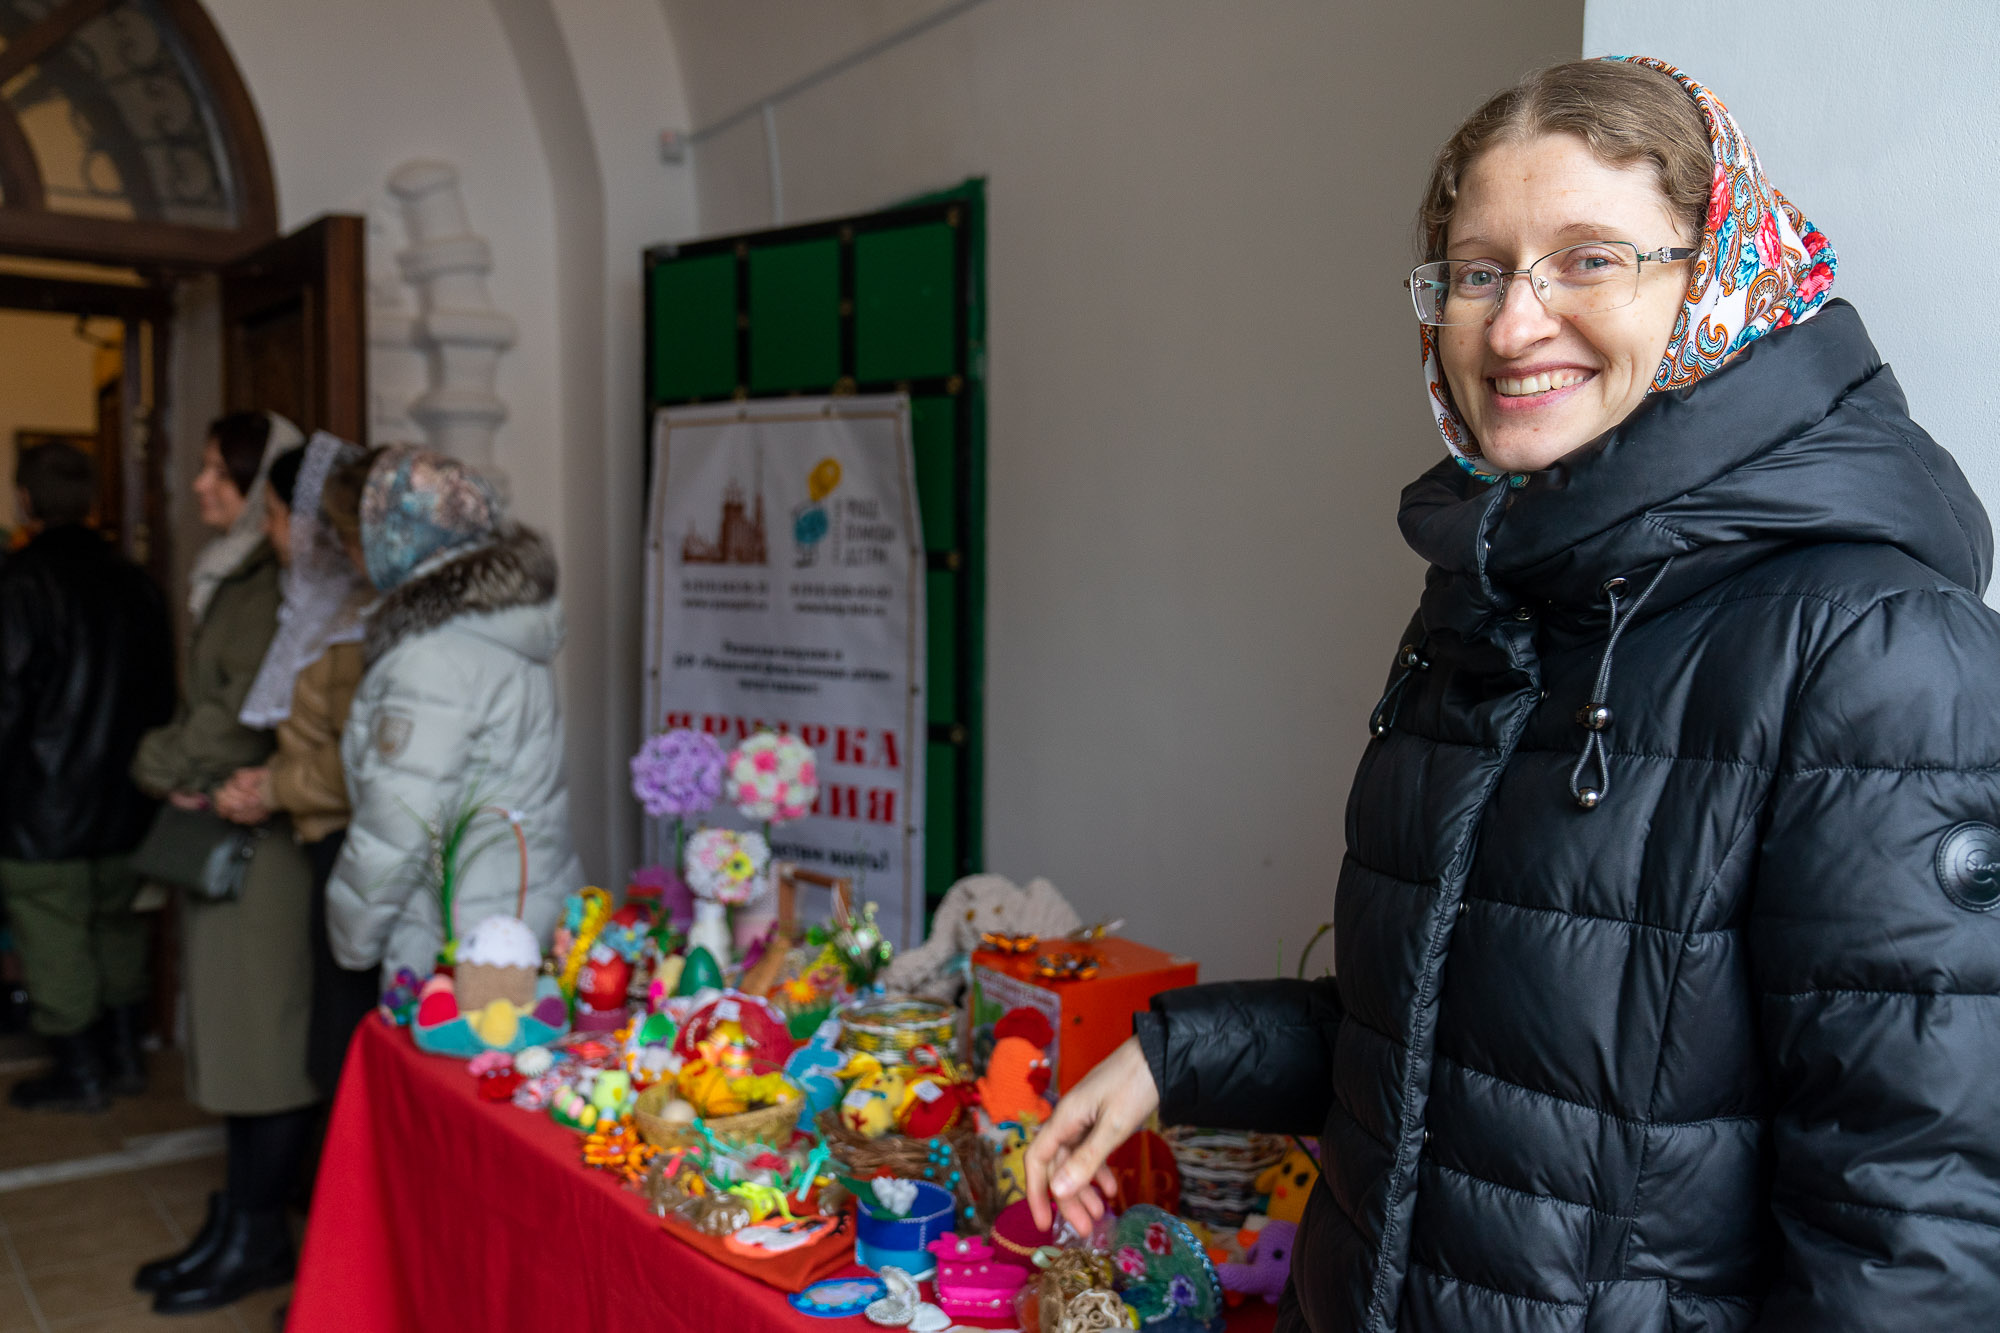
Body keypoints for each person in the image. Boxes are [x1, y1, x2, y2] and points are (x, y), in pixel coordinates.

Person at [1027, 57, 2000, 1332]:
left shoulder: (1874, 650)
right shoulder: (1492, 593)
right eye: (1477, 270)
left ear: (1719, 279)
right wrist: (1173, 1053)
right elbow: (1461, 1036)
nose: (1511, 323)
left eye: (1588, 257)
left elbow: (1913, 1234)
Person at [130, 414, 316, 1316]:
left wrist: (153, 761)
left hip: (262, 846)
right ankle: (237, 1218)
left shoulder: (279, 581)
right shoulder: (239, 574)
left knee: (263, 1049)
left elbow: (242, 709)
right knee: (242, 1044)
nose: (201, 485)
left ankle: (254, 1233)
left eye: (217, 471)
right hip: (230, 834)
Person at [320, 445, 582, 982]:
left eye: (352, 540)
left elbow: (400, 823)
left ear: (392, 537)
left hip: (459, 939)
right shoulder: (498, 621)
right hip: (524, 908)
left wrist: (350, 938)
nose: (348, 557)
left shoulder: (433, 656)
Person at [0, 442, 174, 1111]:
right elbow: (161, 696)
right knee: (119, 928)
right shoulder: (137, 582)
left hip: (44, 807)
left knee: (55, 937)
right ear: (95, 500)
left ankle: (81, 1071)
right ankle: (125, 1053)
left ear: (25, 500)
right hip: (128, 798)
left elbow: (8, 703)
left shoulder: (19, 583)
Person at [212, 434, 375, 1101]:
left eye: (276, 513)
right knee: (325, 1022)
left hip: (349, 841)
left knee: (347, 1025)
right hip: (320, 838)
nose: (269, 528)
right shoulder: (316, 608)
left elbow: (357, 759)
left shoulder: (360, 622)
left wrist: (274, 786)